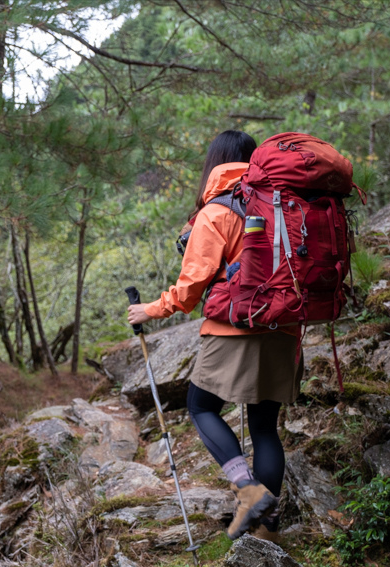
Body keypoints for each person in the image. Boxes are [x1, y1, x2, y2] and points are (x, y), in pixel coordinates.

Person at [127, 130, 303, 543]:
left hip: (234, 328)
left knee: (201, 406)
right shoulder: (284, 204)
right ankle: (265, 530)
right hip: (284, 327)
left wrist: (149, 309)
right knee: (264, 426)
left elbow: (190, 289)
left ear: (215, 163)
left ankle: (248, 490)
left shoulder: (218, 210)